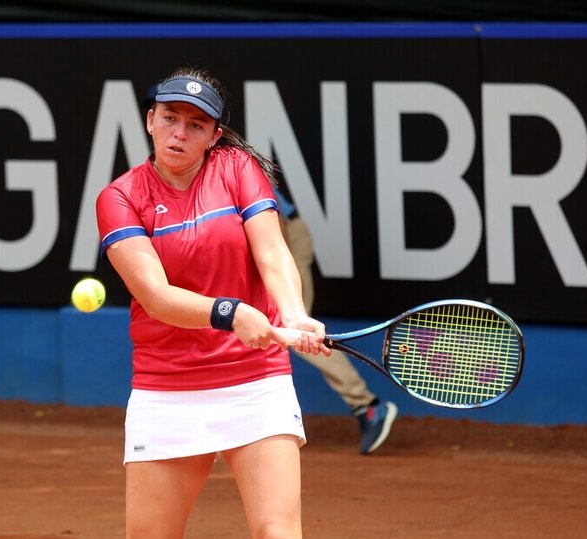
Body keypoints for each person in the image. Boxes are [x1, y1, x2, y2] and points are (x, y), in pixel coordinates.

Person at [97, 67, 329, 539]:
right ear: (150, 121)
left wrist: (295, 312)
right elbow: (157, 297)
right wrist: (231, 312)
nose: (179, 134)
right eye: (169, 118)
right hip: (167, 388)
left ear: (213, 137)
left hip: (256, 382)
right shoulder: (119, 197)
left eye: (195, 125)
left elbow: (271, 251)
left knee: (277, 532)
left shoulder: (238, 169)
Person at [274, 186, 398, 454]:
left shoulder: (234, 161)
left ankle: (367, 407)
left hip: (284, 243)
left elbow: (274, 224)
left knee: (295, 330)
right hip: (273, 244)